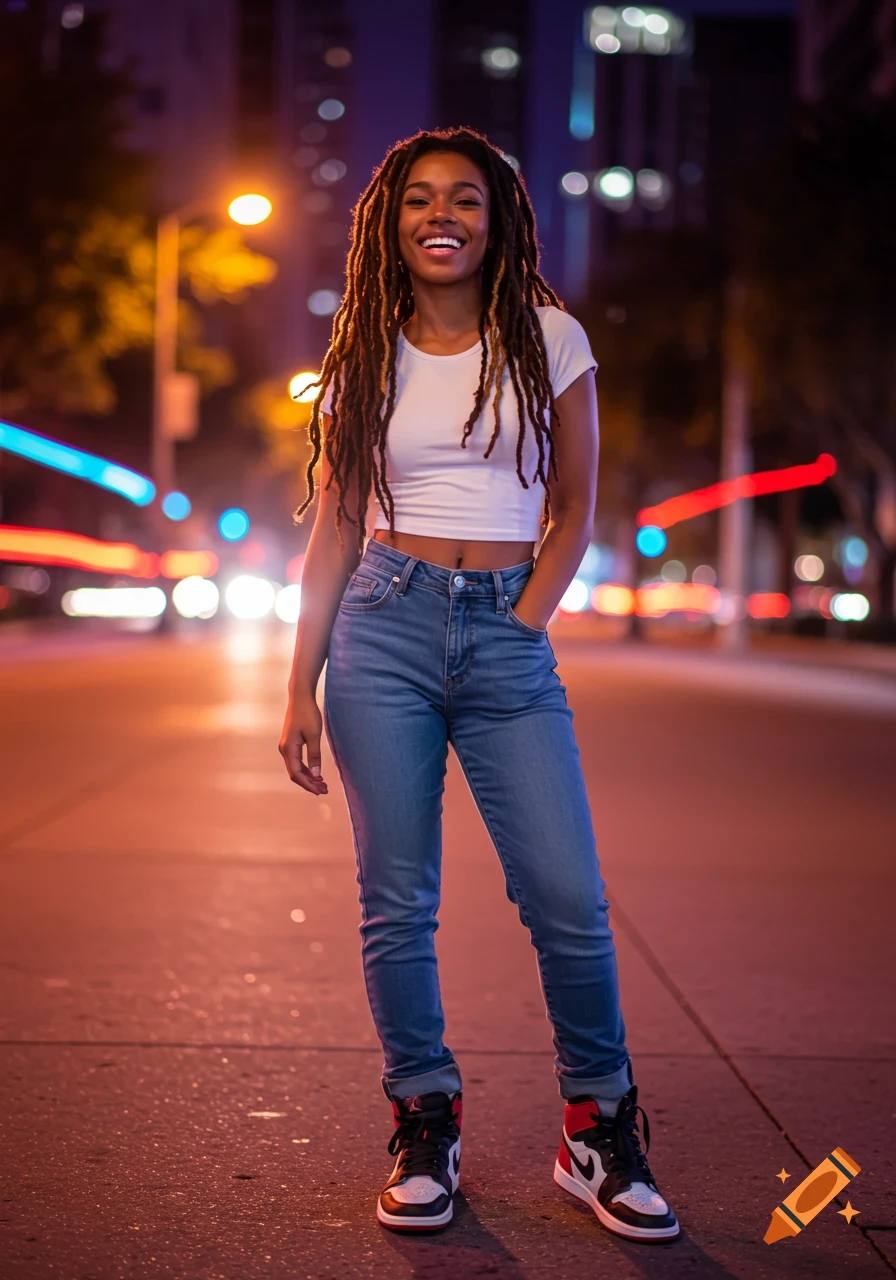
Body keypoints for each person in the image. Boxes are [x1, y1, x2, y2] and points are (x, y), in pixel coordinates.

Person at [279, 127, 678, 1243]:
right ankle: (423, 1117)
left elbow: (575, 507)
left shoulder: (549, 337)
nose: (438, 214)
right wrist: (297, 683)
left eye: (463, 197)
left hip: (503, 637)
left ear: (497, 218)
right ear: (389, 223)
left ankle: (596, 1124)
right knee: (395, 899)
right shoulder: (365, 351)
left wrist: (520, 620)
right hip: (382, 630)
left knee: (565, 895)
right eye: (417, 199)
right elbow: (338, 526)